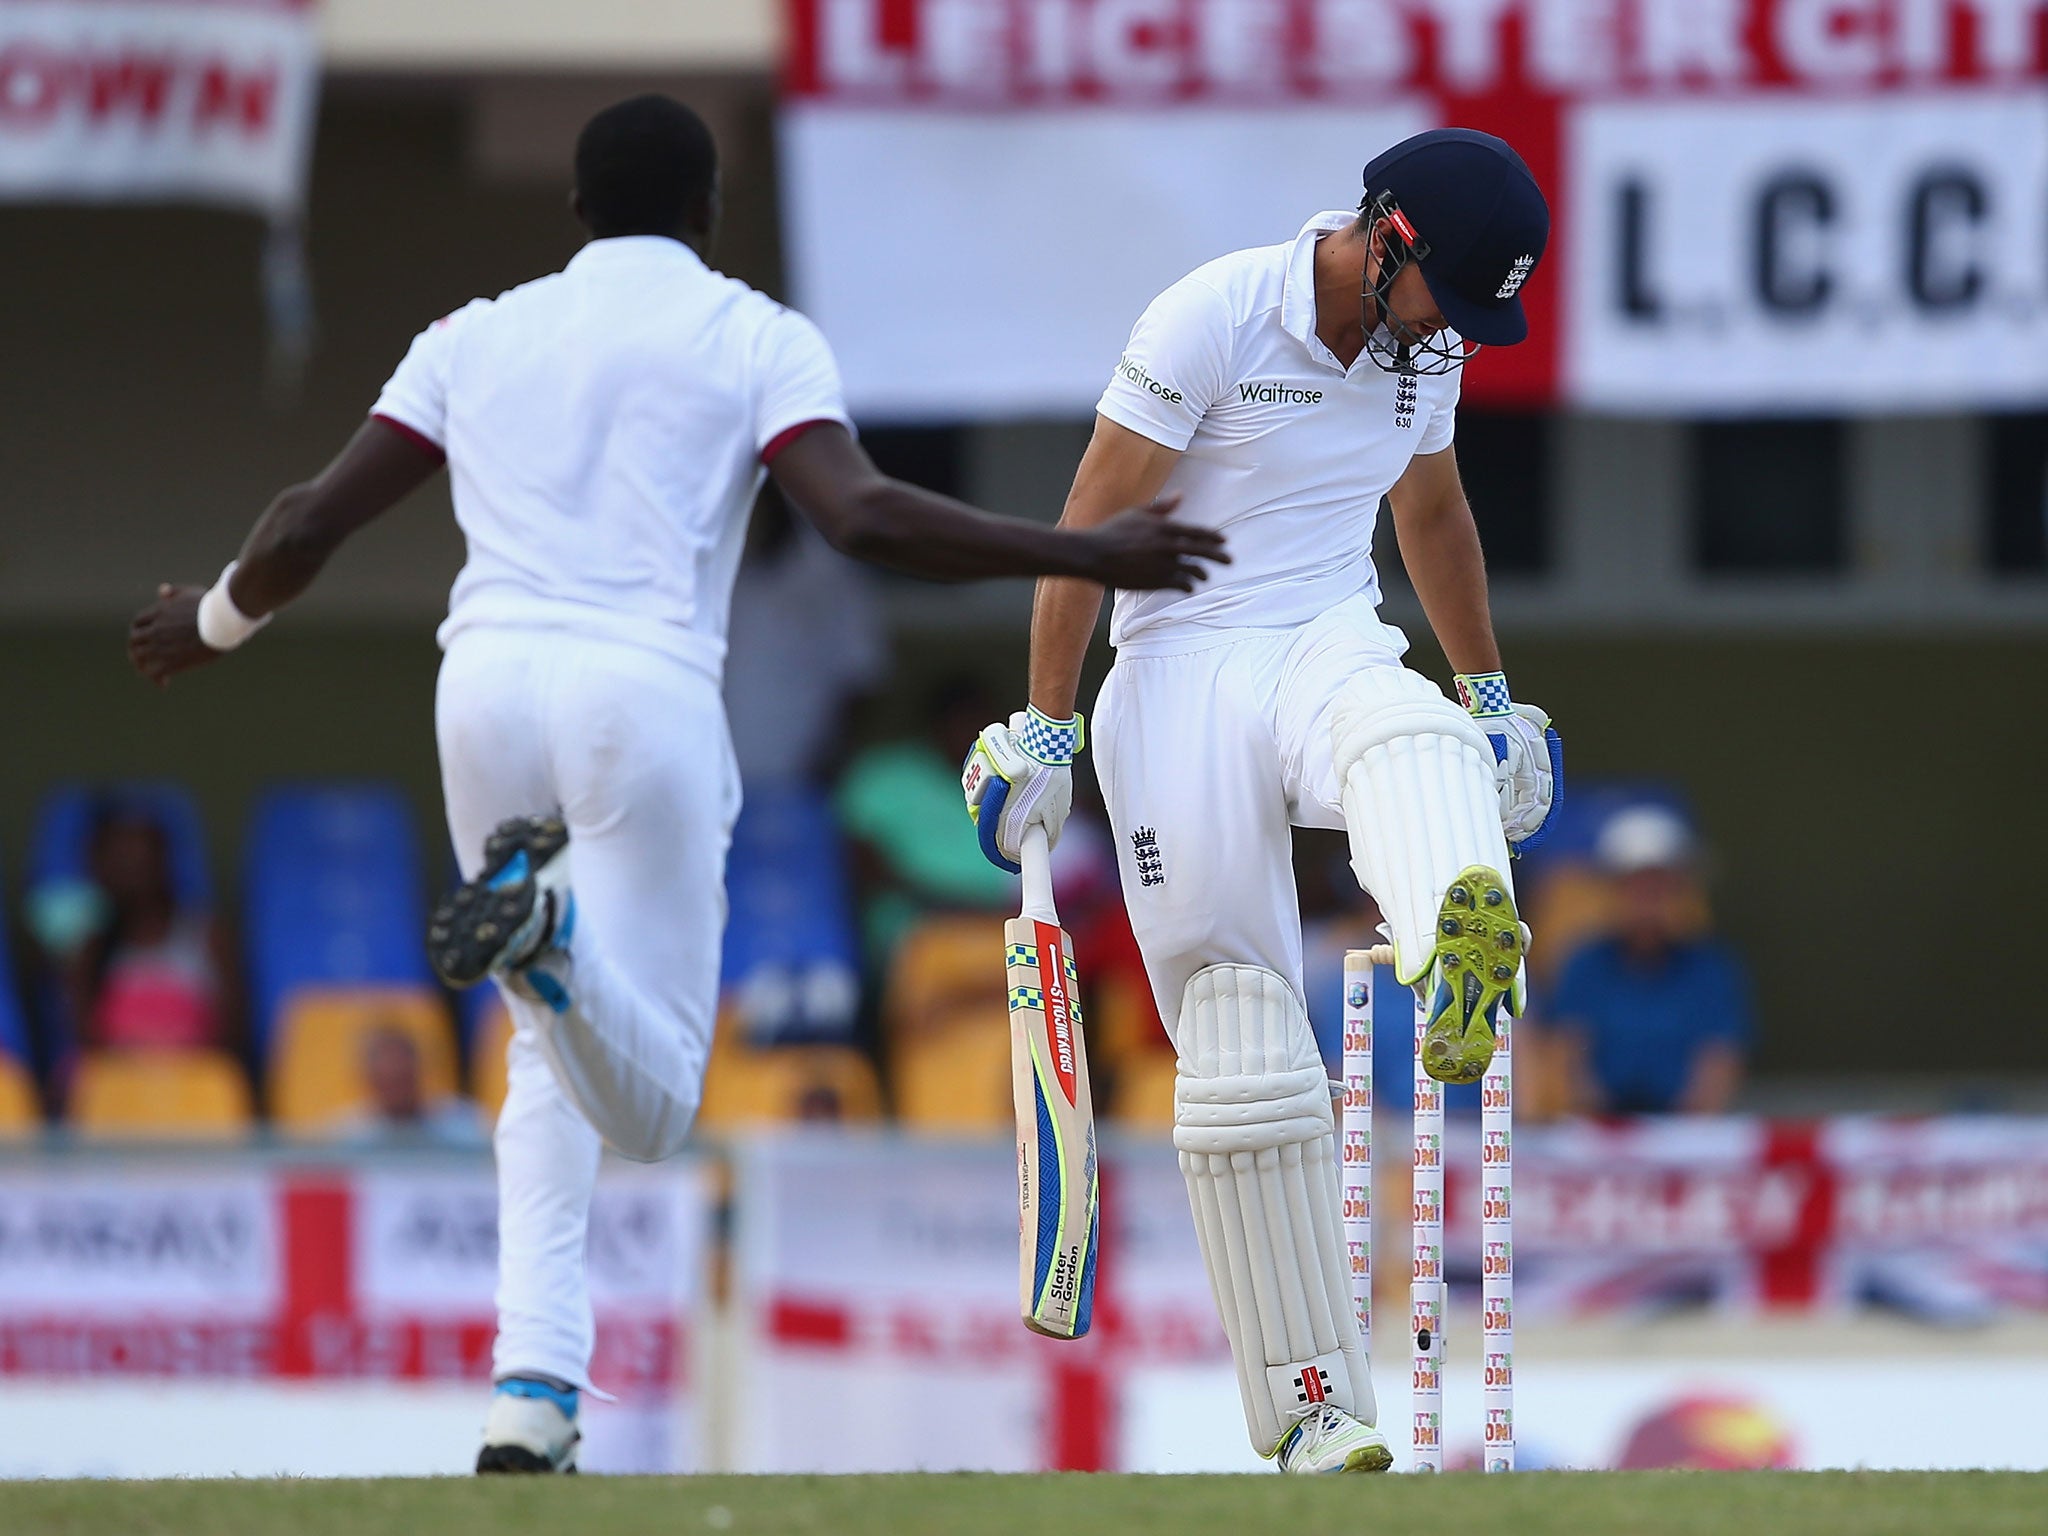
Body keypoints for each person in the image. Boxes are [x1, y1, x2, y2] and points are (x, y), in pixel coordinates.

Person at [126, 94, 1225, 1475]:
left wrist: (215, 620)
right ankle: (548, 941)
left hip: (483, 694)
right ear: (707, 208)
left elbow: (305, 523)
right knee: (649, 1114)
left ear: (576, 209)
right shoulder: (753, 332)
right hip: (636, 696)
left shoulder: (471, 335)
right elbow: (863, 514)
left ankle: (532, 1393)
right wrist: (1082, 554)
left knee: (544, 1053)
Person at [964, 129, 1560, 1474]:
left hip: (1325, 633)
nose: (1450, 333)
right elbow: (1085, 523)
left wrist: (1487, 695)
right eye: (1446, 298)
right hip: (1174, 668)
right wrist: (1049, 727)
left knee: (1415, 733)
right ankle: (1313, 1408)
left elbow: (1437, 516)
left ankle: (1454, 946)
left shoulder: (1428, 351)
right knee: (1241, 1036)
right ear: (1391, 235)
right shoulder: (1215, 313)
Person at [1547, 806, 1750, 1115]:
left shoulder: (1711, 969)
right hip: (1599, 1133)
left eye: (1661, 888)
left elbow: (1720, 1062)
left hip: (1683, 1134)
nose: (1648, 902)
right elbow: (1567, 1057)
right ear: (1613, 892)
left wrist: (1675, 1136)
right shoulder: (1584, 965)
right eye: (1636, 888)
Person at [332, 1024, 487, 1148]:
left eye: (403, 1079)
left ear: (419, 1073)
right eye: (389, 1081)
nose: (398, 1091)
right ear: (370, 1080)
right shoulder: (345, 1138)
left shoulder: (465, 1125)